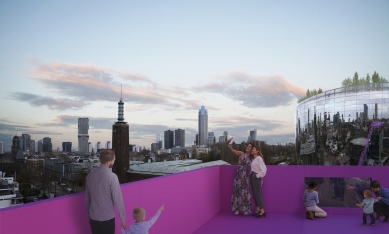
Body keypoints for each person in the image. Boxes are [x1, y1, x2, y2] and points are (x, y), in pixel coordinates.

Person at [85, 149, 126, 234]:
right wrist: (123, 219)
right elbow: (118, 199)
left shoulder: (90, 176)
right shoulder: (112, 177)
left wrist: (89, 214)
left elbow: (87, 198)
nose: (114, 161)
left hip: (94, 217)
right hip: (107, 218)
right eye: (113, 160)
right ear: (109, 162)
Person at [227, 137, 252, 216]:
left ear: (251, 149)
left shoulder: (251, 158)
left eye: (249, 147)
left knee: (245, 192)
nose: (247, 148)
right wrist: (228, 144)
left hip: (245, 176)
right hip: (238, 175)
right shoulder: (241, 153)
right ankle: (237, 209)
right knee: (237, 191)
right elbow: (233, 150)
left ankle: (246, 209)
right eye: (247, 146)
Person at [250, 144, 267, 218]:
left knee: (257, 194)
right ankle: (257, 209)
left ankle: (262, 211)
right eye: (252, 149)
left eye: (253, 149)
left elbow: (264, 170)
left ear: (257, 151)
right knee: (254, 194)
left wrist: (257, 176)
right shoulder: (254, 159)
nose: (252, 150)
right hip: (252, 176)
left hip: (256, 177)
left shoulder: (259, 158)